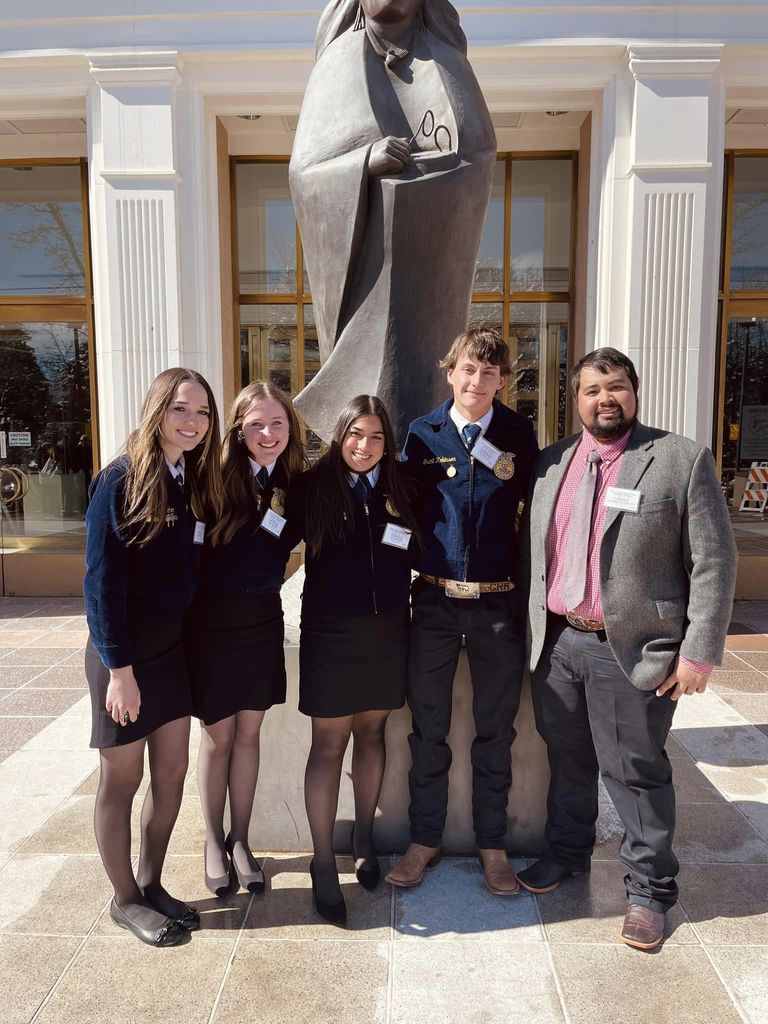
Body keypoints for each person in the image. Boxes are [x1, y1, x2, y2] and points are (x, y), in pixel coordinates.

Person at [519, 347, 738, 950]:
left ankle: (648, 891)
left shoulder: (677, 459)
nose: (604, 399)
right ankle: (565, 853)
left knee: (635, 771)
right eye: (591, 390)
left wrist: (698, 651)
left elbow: (714, 561)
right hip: (559, 642)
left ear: (633, 392)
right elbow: (536, 555)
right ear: (576, 399)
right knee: (567, 760)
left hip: (632, 648)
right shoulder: (552, 462)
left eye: (615, 387)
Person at [289, 0, 497, 443]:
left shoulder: (447, 61)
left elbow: (480, 156)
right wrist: (365, 161)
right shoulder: (338, 62)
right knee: (366, 404)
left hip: (427, 270)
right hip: (367, 264)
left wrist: (435, 177)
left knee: (423, 382)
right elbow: (305, 173)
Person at [386, 327, 538, 895]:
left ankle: (492, 846)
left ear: (503, 380)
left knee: (496, 732)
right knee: (429, 731)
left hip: (497, 605)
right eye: (469, 370)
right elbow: (400, 509)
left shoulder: (519, 435)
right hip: (434, 603)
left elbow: (537, 516)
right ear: (450, 372)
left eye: (491, 373)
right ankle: (423, 840)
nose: (478, 382)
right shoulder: (423, 434)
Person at [83, 367, 222, 947]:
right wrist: (119, 671)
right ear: (157, 409)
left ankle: (151, 882)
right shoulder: (118, 480)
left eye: (203, 413)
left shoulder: (191, 479)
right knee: (124, 778)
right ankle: (125, 899)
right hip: (126, 660)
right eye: (181, 410)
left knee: (171, 775)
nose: (192, 423)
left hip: (170, 655)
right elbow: (101, 583)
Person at [297, 394, 420, 925]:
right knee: (328, 744)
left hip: (388, 631)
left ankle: (365, 836)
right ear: (339, 435)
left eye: (374, 437)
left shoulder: (403, 486)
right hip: (329, 632)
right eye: (354, 435)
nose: (364, 446)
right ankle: (323, 861)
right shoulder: (309, 487)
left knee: (373, 736)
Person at [187, 382, 307, 897]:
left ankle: (241, 840)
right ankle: (213, 840)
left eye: (277, 423)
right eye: (256, 424)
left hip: (261, 620)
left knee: (251, 734)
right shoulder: (210, 478)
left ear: (289, 428)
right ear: (238, 428)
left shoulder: (292, 482)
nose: (267, 433)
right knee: (218, 738)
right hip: (212, 625)